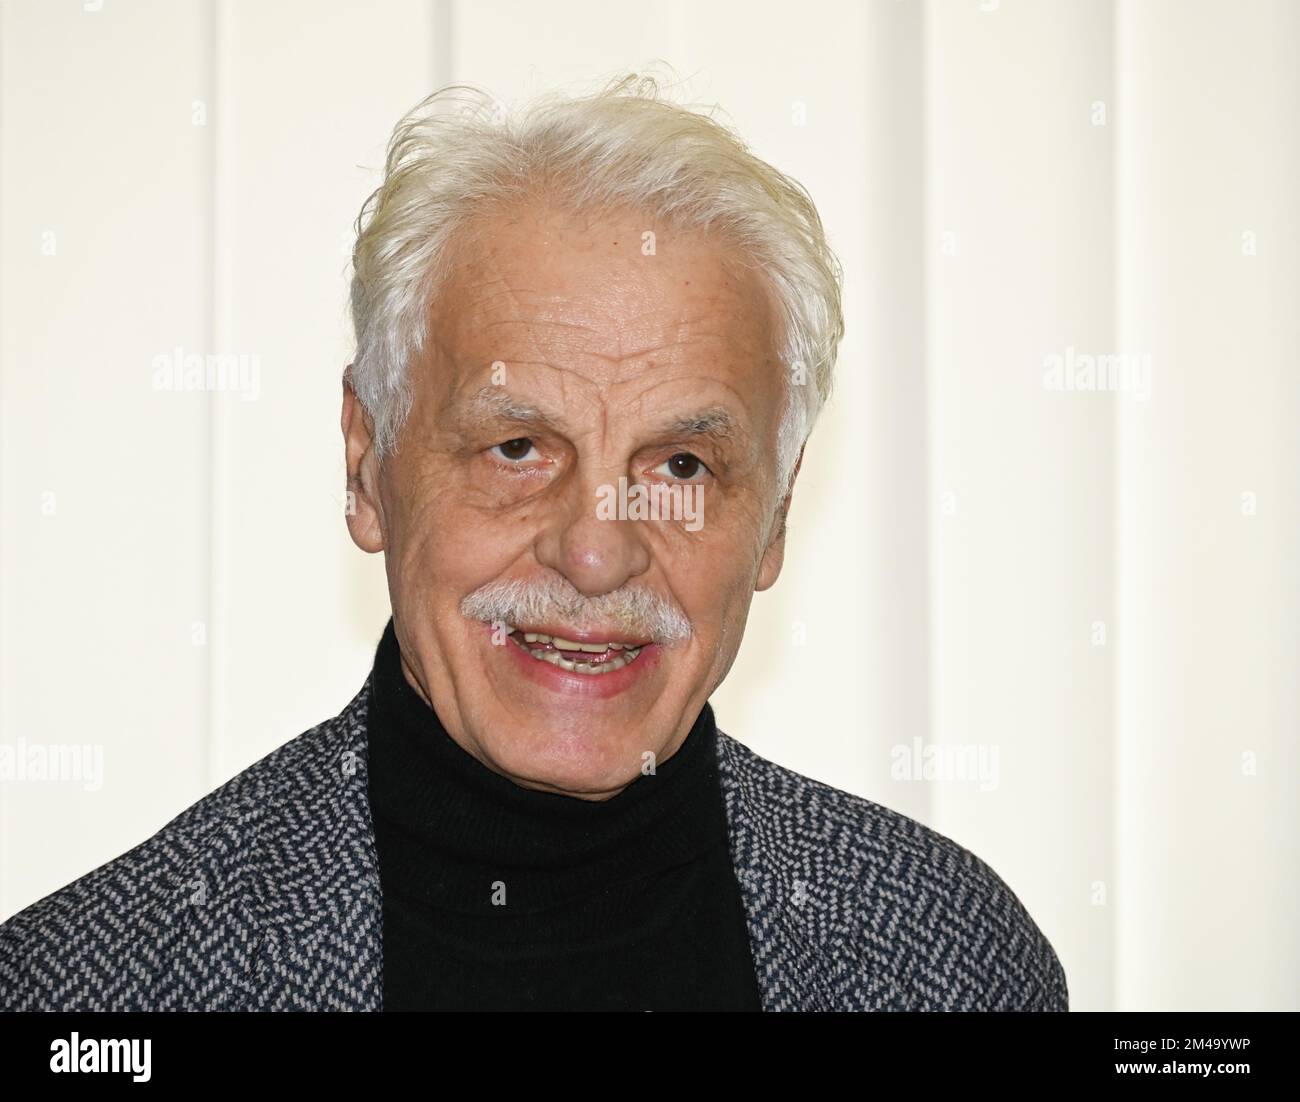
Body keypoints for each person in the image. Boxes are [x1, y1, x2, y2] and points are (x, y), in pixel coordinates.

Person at [0, 75, 1067, 1012]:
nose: (597, 554)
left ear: (775, 515)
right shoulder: (89, 984)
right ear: (365, 465)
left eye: (680, 467)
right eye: (516, 447)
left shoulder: (961, 958)